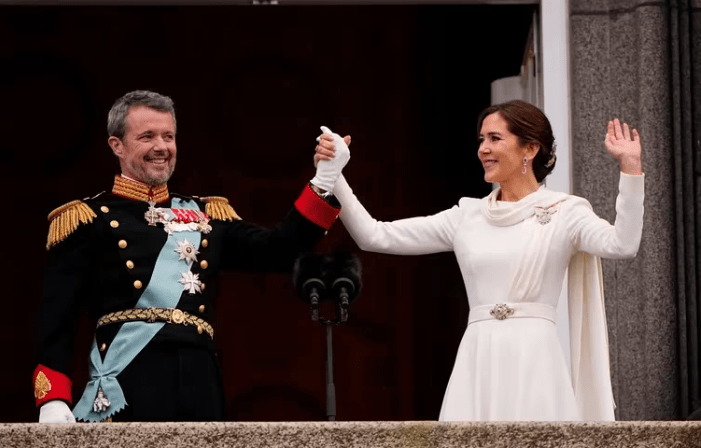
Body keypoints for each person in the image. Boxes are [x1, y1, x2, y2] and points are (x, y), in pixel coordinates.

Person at [314, 100, 644, 421]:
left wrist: (630, 170)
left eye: (495, 139)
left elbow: (622, 244)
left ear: (530, 149)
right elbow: (375, 235)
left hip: (536, 360)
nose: (483, 149)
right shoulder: (467, 216)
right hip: (478, 357)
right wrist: (336, 177)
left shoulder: (565, 212)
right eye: (481, 140)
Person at [33, 90, 350, 423]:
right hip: (128, 380)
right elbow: (57, 318)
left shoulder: (207, 214)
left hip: (200, 381)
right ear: (117, 145)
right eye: (147, 136)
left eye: (168, 136)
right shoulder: (88, 218)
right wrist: (52, 398)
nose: (162, 147)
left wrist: (323, 180)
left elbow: (280, 251)